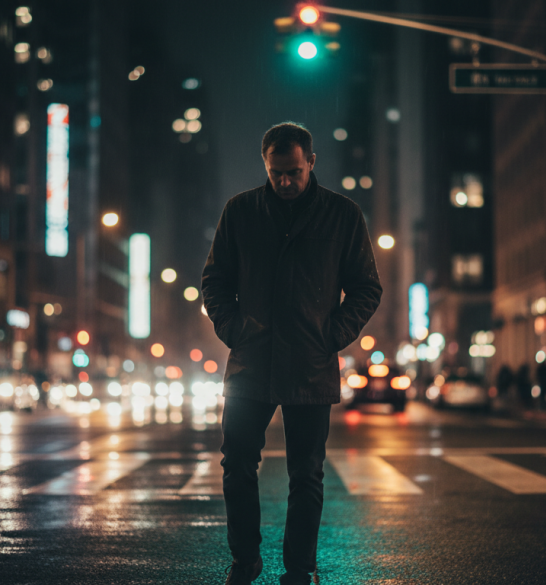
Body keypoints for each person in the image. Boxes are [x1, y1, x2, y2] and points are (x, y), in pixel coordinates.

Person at [202, 122, 382, 585]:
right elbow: (214, 281)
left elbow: (366, 287)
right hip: (251, 361)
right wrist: (233, 329)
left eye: (293, 172)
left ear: (312, 163)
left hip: (310, 361)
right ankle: (245, 561)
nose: (284, 182)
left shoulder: (342, 215)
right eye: (276, 172)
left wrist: (332, 334)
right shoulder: (240, 211)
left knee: (307, 474)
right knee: (237, 464)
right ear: (265, 165)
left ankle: (299, 569)